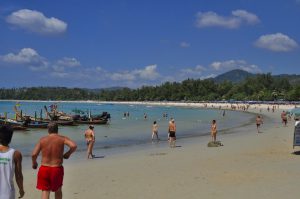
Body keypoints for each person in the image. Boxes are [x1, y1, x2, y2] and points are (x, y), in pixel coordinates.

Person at [31, 122, 77, 199]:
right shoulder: (62, 138)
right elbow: (74, 146)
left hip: (44, 168)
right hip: (57, 168)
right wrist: (68, 154)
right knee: (58, 190)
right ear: (57, 129)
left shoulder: (42, 140)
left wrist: (34, 163)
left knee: (45, 191)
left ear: (48, 130)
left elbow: (34, 154)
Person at [0, 125, 25, 199]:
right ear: (11, 137)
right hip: (8, 193)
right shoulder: (16, 154)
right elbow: (18, 176)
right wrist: (21, 189)